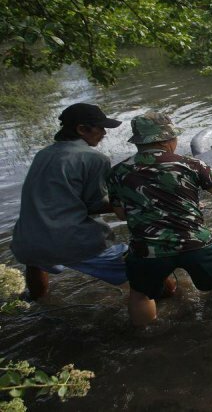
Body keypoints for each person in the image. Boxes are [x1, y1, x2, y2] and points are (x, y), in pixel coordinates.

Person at [107, 111, 212, 327]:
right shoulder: (191, 165)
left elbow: (121, 214)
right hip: (193, 242)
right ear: (168, 139)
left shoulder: (117, 172)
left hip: (147, 249)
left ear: (138, 142)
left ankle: (144, 337)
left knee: (141, 294)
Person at [10, 103, 129, 300]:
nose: (104, 133)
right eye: (100, 128)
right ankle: (171, 296)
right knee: (144, 269)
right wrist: (126, 200)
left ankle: (38, 302)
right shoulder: (95, 158)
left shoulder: (44, 153)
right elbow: (95, 205)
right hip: (70, 240)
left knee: (36, 262)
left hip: (26, 239)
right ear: (82, 129)